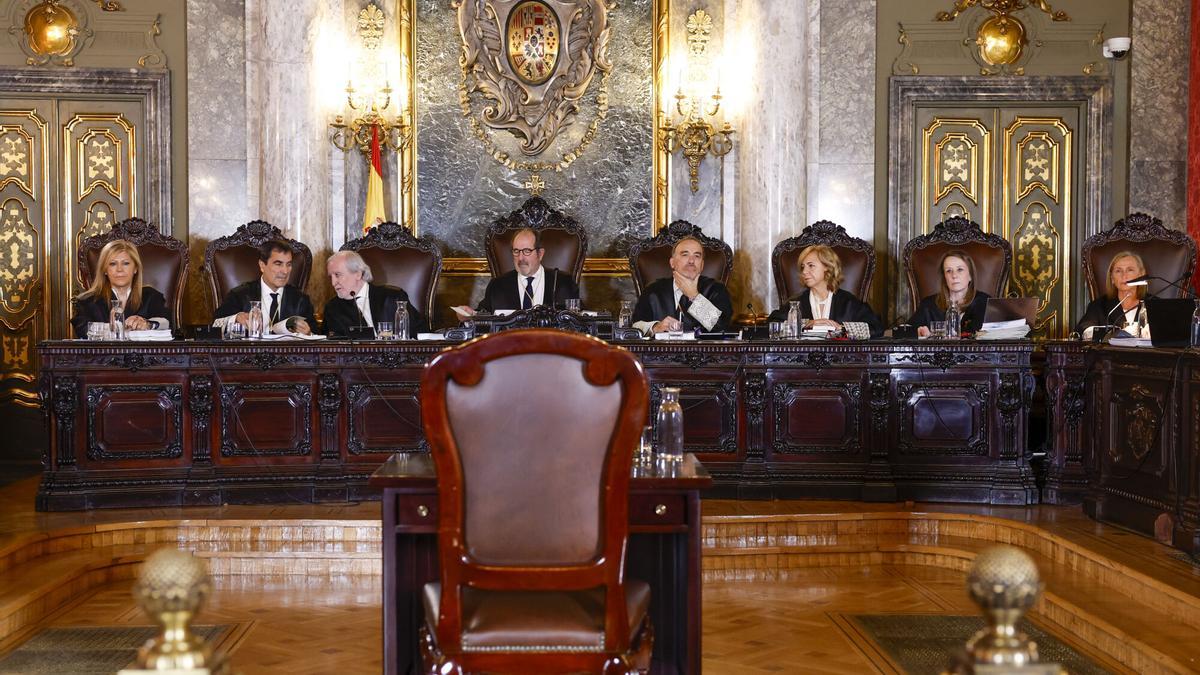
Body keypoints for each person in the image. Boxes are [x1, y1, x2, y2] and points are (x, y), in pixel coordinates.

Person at [767, 244, 882, 337]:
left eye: (811, 266)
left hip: (842, 361)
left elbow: (876, 328)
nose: (804, 272)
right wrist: (806, 324)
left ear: (828, 267)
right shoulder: (795, 303)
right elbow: (770, 327)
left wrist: (841, 328)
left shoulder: (849, 302)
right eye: (803, 267)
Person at [632, 236, 733, 334]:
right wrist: (656, 327)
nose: (691, 261)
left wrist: (693, 295)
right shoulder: (653, 290)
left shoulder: (717, 290)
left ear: (702, 265)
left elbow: (722, 327)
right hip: (661, 350)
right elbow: (635, 325)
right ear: (672, 263)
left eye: (697, 256)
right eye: (685, 254)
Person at [212, 240, 317, 335]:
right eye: (278, 264)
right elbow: (214, 325)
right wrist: (236, 318)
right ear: (262, 265)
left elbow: (317, 335)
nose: (285, 271)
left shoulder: (300, 299)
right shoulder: (240, 295)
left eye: (288, 264)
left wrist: (308, 333)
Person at [72, 240, 171, 338]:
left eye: (126, 263)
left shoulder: (151, 296)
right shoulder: (87, 301)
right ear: (105, 270)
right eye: (113, 264)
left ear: (135, 268)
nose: (119, 269)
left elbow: (167, 323)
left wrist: (148, 324)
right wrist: (113, 327)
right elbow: (82, 329)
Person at [470, 228, 579, 313]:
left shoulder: (563, 282)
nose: (521, 258)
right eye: (516, 251)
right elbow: (482, 316)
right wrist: (468, 316)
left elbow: (580, 318)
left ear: (540, 254)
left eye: (527, 251)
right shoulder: (498, 285)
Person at [323, 250, 428, 337]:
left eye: (338, 275)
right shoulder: (333, 308)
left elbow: (421, 332)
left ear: (358, 274)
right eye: (330, 277)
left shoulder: (393, 298)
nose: (333, 283)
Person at [908, 249, 990, 337]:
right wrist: (918, 333)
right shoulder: (928, 305)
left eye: (960, 269)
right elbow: (905, 330)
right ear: (944, 278)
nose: (954, 275)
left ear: (970, 275)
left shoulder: (985, 302)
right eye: (948, 271)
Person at [1075, 251, 1148, 336]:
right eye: (1118, 271)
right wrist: (1111, 334)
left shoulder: (1155, 304)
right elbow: (1083, 329)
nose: (1124, 276)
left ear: (1141, 274)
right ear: (1112, 278)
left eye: (1130, 270)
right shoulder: (1099, 305)